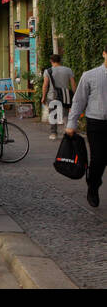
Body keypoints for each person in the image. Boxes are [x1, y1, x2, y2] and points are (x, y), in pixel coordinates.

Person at [65, 50, 106, 208]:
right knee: (99, 158)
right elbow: (79, 100)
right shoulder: (90, 75)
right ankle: (93, 186)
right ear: (104, 54)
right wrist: (71, 123)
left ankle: (94, 180)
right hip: (96, 122)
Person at [43, 54, 76, 139]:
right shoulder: (68, 70)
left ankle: (53, 133)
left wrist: (43, 96)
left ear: (51, 61)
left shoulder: (48, 71)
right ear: (60, 60)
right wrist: (74, 95)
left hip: (52, 96)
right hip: (65, 96)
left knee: (52, 115)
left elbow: (45, 85)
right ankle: (68, 132)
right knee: (65, 114)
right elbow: (73, 84)